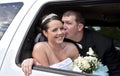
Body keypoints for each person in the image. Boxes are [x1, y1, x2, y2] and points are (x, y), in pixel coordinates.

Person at [61, 10, 120, 76]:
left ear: (79, 27)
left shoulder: (104, 43)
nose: (63, 27)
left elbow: (115, 72)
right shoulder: (59, 40)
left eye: (68, 23)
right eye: (62, 22)